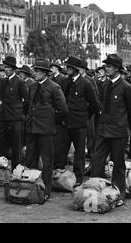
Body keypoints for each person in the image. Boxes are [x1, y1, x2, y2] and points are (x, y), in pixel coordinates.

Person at [91, 54, 131, 207]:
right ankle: (96, 191)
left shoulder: (126, 87)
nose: (105, 68)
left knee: (118, 165)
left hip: (118, 132)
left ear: (116, 69)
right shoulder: (104, 85)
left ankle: (119, 194)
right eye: (105, 66)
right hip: (103, 131)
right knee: (96, 161)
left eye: (108, 66)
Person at [25, 59, 68, 201]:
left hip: (46, 130)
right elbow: (29, 106)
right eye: (34, 70)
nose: (34, 73)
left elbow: (62, 110)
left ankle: (46, 190)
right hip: (32, 129)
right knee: (30, 160)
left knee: (47, 161)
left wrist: (50, 121)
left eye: (36, 71)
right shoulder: (32, 86)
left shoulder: (54, 87)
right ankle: (29, 188)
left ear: (44, 73)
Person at [55, 57, 100, 185]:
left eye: (69, 67)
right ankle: (59, 176)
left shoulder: (86, 84)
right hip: (65, 122)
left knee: (79, 153)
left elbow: (94, 105)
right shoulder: (65, 82)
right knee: (61, 150)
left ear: (76, 69)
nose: (67, 69)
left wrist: (84, 116)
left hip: (79, 124)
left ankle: (78, 179)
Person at [0, 56, 28, 169]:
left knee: (16, 147)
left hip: (16, 118)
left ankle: (15, 170)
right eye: (5, 68)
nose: (6, 70)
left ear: (13, 69)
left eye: (8, 68)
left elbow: (27, 100)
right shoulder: (3, 82)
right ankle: (1, 168)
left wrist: (21, 113)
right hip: (4, 117)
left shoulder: (20, 82)